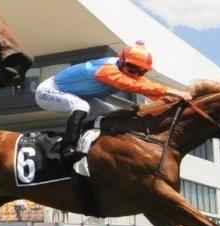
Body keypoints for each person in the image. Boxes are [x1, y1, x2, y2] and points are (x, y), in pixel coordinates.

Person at [34, 40, 192, 164]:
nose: (135, 74)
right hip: (49, 90)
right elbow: (133, 85)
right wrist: (172, 91)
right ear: (121, 61)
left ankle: (92, 143)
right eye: (132, 68)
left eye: (141, 71)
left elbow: (149, 89)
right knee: (81, 106)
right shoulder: (107, 70)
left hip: (76, 94)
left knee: (112, 113)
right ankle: (68, 147)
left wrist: (178, 101)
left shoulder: (127, 70)